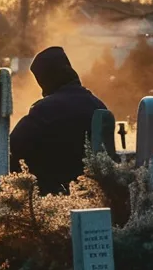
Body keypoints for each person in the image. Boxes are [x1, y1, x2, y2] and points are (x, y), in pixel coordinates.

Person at [9, 46, 109, 194]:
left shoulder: (44, 111)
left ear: (47, 78)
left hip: (54, 199)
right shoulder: (98, 105)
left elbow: (12, 147)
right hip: (96, 196)